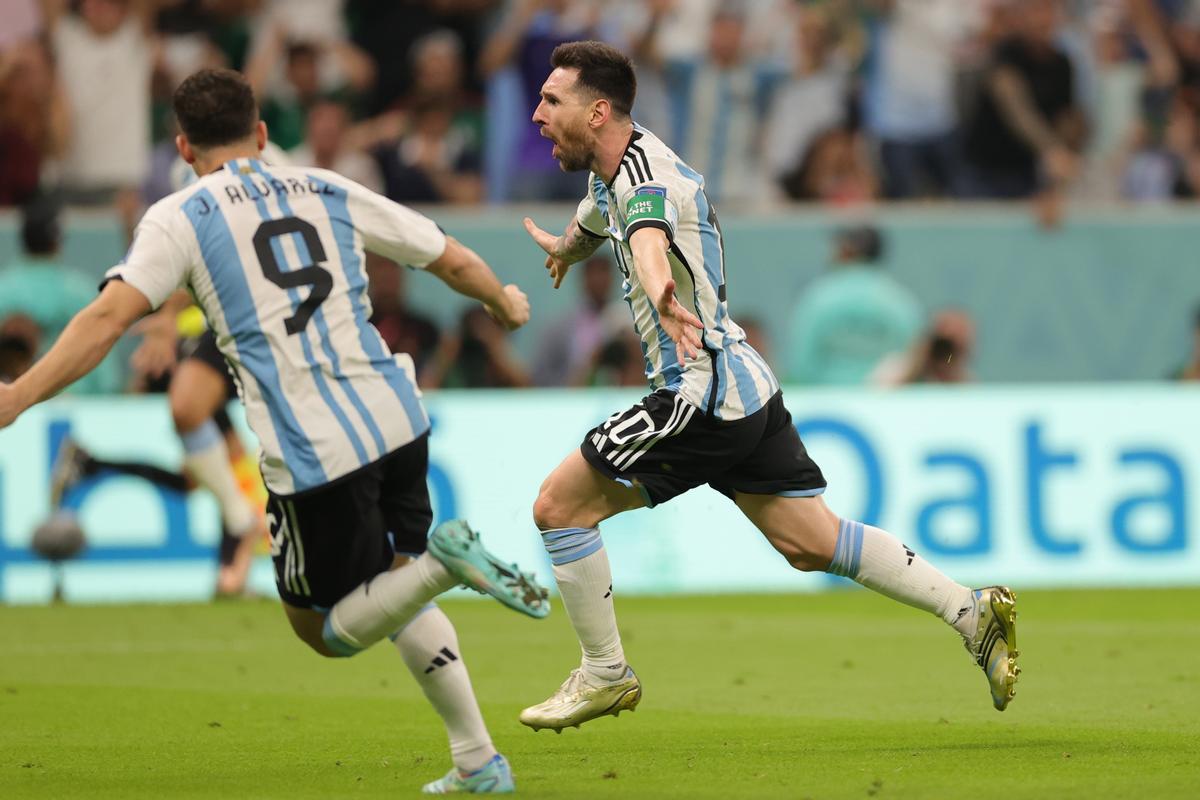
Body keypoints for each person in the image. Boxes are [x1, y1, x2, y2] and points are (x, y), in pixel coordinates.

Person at [0, 68, 549, 794]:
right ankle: (479, 760)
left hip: (313, 451)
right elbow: (448, 255)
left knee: (324, 630)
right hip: (398, 415)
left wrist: (18, 395)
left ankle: (446, 564)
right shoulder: (326, 186)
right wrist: (503, 304)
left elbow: (109, 318)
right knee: (395, 591)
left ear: (183, 147)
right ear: (262, 135)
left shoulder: (180, 216)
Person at [518, 41, 1019, 734]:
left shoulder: (643, 181)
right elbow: (602, 213)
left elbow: (646, 233)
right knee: (811, 542)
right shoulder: (616, 166)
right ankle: (972, 612)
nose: (538, 114)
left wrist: (661, 288)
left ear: (596, 111)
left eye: (551, 101)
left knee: (557, 507)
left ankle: (605, 673)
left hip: (697, 393)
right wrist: (569, 247)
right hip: (743, 383)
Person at [784, 225, 923, 386]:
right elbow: (913, 362)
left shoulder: (818, 297)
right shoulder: (901, 301)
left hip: (827, 403)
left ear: (848, 250)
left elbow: (801, 364)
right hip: (885, 405)